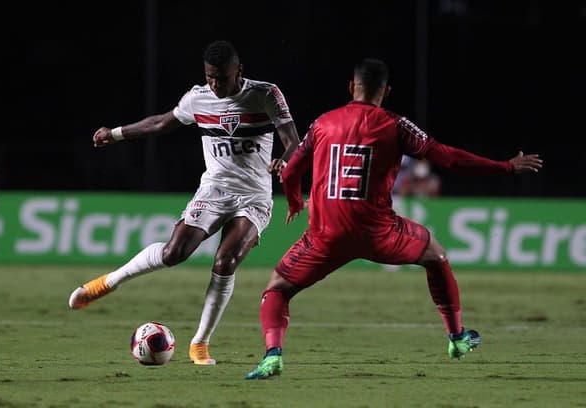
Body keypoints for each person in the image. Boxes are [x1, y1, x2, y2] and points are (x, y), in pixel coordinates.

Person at [245, 57, 543, 379]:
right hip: (378, 232)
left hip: (325, 234)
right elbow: (447, 157)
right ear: (386, 91)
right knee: (436, 255)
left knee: (275, 291)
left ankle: (272, 355)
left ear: (351, 86)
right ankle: (457, 338)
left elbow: (290, 172)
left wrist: (293, 203)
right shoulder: (396, 124)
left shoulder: (323, 123)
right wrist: (505, 166)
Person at [68, 40, 301, 365]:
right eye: (210, 77)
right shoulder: (198, 97)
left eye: (222, 77)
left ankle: (200, 344)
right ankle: (105, 283)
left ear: (239, 71)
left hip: (254, 197)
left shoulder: (265, 94)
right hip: (213, 191)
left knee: (225, 262)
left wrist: (284, 161)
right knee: (173, 253)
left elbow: (295, 142)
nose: (215, 85)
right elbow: (161, 123)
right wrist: (116, 133)